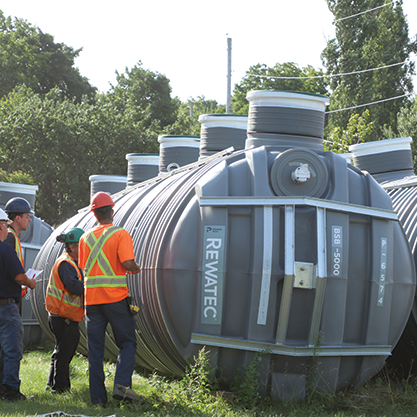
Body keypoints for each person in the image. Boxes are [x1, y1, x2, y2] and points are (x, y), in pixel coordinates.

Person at [78, 192, 143, 406]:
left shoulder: (84, 238)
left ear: (94, 214)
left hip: (92, 302)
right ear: (112, 211)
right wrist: (136, 268)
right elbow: (127, 263)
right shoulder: (121, 234)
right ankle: (122, 386)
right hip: (115, 299)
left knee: (95, 350)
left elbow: (83, 268)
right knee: (126, 342)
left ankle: (98, 400)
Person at [0, 208, 36, 401]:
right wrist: (30, 282)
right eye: (6, 225)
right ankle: (11, 391)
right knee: (12, 350)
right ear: (1, 225)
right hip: (6, 306)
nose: (8, 229)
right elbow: (19, 276)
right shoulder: (5, 248)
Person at [45, 227, 85, 393]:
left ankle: (52, 384)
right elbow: (74, 287)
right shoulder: (66, 264)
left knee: (60, 350)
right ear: (74, 247)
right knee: (65, 352)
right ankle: (60, 388)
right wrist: (92, 283)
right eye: (82, 245)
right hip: (63, 315)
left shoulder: (71, 263)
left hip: (63, 315)